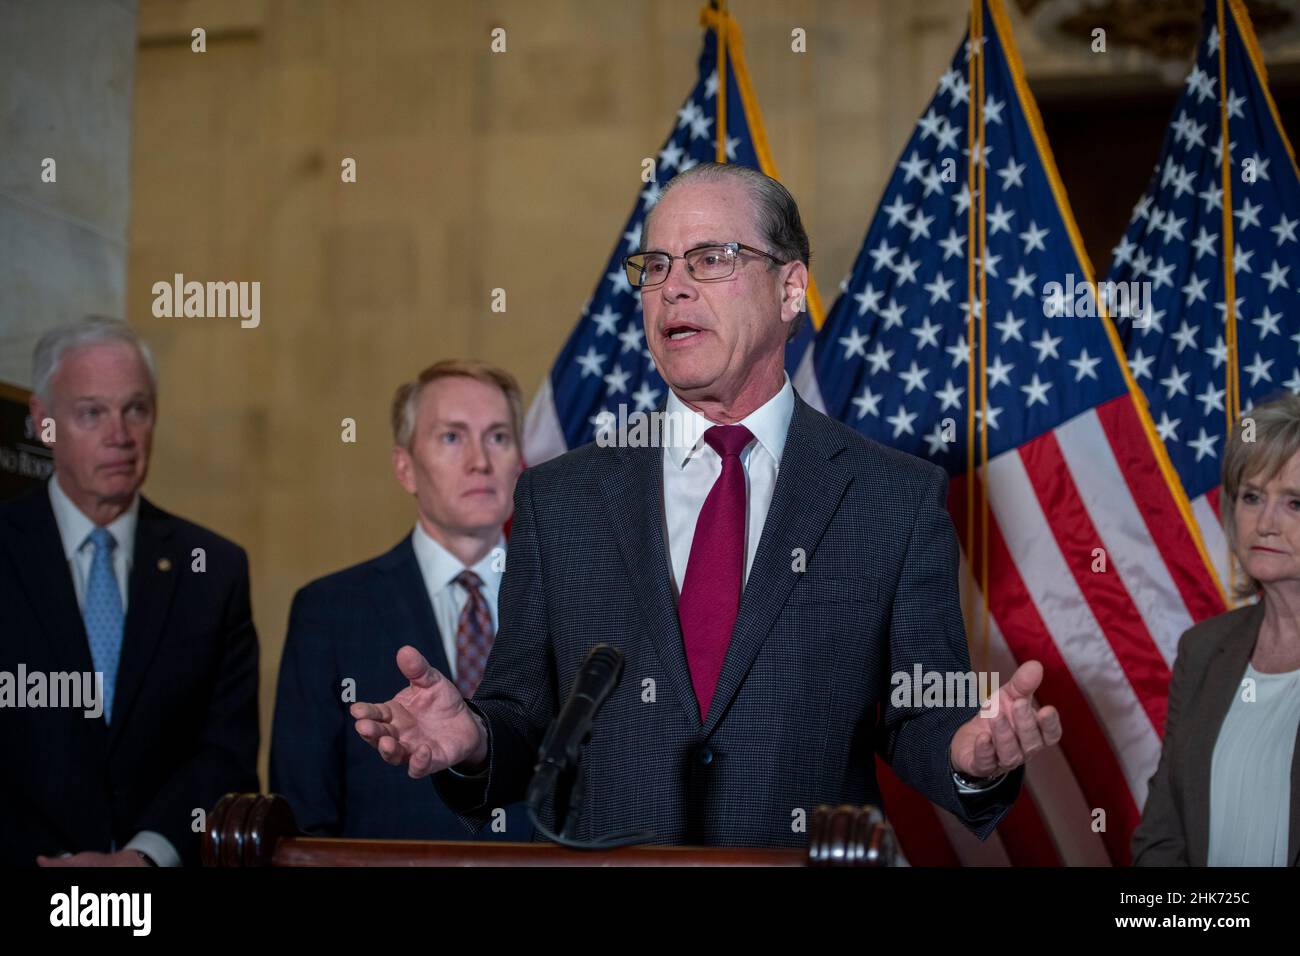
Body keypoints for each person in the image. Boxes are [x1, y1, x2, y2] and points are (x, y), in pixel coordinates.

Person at [352, 163, 1062, 847]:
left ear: (790, 290)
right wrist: (474, 739)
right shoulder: (560, 497)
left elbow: (920, 713)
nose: (673, 289)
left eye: (710, 259)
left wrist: (970, 751)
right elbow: (525, 718)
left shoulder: (892, 498)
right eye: (655, 266)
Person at [0, 317, 259, 866]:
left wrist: (144, 857)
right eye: (92, 412)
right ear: (44, 424)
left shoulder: (214, 569)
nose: (119, 434)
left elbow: (226, 753)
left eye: (135, 409)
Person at [271, 360, 530, 839]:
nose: (480, 461)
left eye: (497, 437)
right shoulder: (329, 613)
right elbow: (304, 817)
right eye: (452, 437)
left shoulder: (571, 598)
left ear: (519, 459)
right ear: (405, 468)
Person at [1133, 394, 1300, 866]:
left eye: (1294, 503)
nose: (1265, 523)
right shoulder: (1203, 649)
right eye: (1252, 497)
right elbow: (1162, 834)